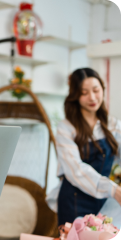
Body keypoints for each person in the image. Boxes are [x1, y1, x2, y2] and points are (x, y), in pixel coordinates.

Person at [46, 68, 121, 226]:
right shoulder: (66, 128)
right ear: (75, 95)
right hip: (74, 202)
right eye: (84, 92)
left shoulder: (112, 124)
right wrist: (113, 189)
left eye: (96, 90)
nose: (92, 97)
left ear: (102, 89)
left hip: (103, 202)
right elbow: (76, 170)